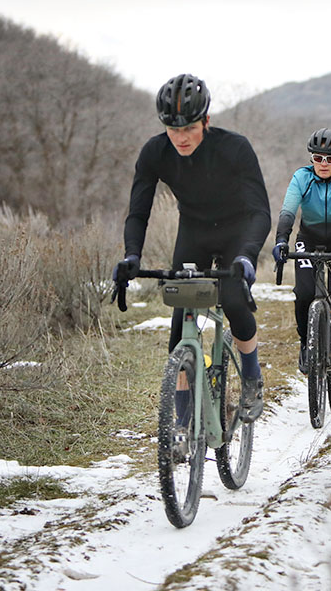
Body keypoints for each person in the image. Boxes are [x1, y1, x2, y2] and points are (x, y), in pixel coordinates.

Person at [114, 73, 272, 422]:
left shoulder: (234, 147)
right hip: (194, 231)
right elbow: (138, 212)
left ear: (207, 121)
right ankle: (182, 428)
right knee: (179, 324)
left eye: (189, 129)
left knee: (233, 298)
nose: (181, 138)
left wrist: (247, 255)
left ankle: (251, 376)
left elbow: (261, 211)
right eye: (173, 130)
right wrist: (131, 255)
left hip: (237, 229)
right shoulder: (155, 152)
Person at [272, 128, 331, 373]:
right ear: (311, 158)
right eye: (317, 158)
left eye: (330, 159)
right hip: (309, 237)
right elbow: (288, 212)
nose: (323, 164)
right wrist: (282, 240)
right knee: (304, 291)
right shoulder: (301, 178)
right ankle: (306, 343)